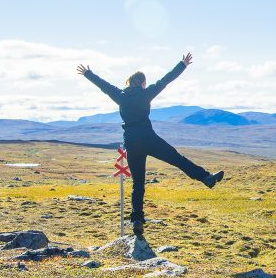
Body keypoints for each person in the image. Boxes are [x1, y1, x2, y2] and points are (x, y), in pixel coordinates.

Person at [77, 52, 224, 237]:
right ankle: (206, 178)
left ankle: (137, 221)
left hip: (132, 143)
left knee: (138, 184)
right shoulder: (146, 93)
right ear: (142, 83)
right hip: (149, 139)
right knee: (178, 160)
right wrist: (182, 65)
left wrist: (88, 74)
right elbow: (165, 80)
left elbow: (104, 86)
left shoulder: (120, 95)